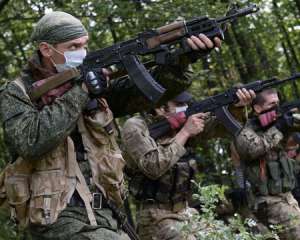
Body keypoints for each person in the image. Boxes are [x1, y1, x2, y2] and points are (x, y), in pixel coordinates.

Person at [0, 11, 222, 240]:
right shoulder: (18, 93)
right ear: (47, 49)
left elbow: (147, 94)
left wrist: (181, 60)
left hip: (105, 212)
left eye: (84, 45)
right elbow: (30, 140)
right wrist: (82, 91)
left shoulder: (90, 82)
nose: (82, 52)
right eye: (73, 46)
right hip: (54, 217)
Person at [121, 89, 255, 240]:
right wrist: (185, 132)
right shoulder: (136, 126)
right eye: (179, 104)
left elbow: (221, 128)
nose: (185, 107)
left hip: (185, 211)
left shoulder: (180, 123)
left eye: (186, 103)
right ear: (159, 107)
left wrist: (237, 107)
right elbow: (153, 166)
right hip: (155, 217)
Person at [235, 88, 300, 239]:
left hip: (287, 197)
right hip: (268, 201)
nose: (276, 108)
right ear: (257, 108)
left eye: (278, 103)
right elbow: (251, 149)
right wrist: (278, 128)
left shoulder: (278, 122)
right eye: (272, 104)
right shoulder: (245, 130)